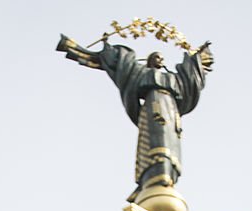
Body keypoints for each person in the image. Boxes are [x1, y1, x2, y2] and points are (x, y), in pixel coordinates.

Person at [57, 35, 213, 196]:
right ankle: (153, 174)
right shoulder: (141, 72)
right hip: (153, 105)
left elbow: (191, 78)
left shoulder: (173, 79)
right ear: (150, 60)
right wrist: (109, 50)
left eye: (161, 58)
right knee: (157, 137)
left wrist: (197, 57)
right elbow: (123, 66)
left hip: (171, 111)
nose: (160, 59)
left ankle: (167, 174)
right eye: (156, 57)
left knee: (170, 141)